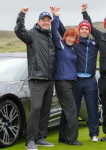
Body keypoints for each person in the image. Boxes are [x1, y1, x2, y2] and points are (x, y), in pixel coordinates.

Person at [14, 7, 56, 150]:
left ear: (50, 22)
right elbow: (19, 31)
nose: (45, 22)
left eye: (48, 20)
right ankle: (30, 140)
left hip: (50, 79)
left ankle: (40, 137)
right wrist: (22, 15)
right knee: (36, 108)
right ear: (39, 21)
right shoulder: (32, 34)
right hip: (37, 78)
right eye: (43, 20)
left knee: (45, 109)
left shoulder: (51, 36)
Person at [58, 7, 99, 142]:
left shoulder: (94, 44)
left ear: (89, 31)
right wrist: (56, 17)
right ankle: (68, 136)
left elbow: (91, 25)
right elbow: (64, 32)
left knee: (92, 108)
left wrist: (85, 13)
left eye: (87, 29)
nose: (84, 30)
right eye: (82, 28)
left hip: (91, 81)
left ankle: (93, 134)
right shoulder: (75, 43)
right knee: (72, 109)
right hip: (76, 81)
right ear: (79, 30)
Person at [51, 6, 82, 146]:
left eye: (73, 37)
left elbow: (65, 32)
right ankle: (71, 139)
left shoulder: (72, 48)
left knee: (66, 111)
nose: (70, 38)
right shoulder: (60, 45)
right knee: (72, 110)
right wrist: (55, 17)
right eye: (68, 36)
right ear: (65, 37)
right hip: (62, 82)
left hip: (72, 82)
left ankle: (63, 137)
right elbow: (55, 31)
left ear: (75, 39)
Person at [81, 3, 106, 142]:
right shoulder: (101, 37)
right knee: (105, 107)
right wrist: (84, 12)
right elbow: (89, 26)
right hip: (104, 79)